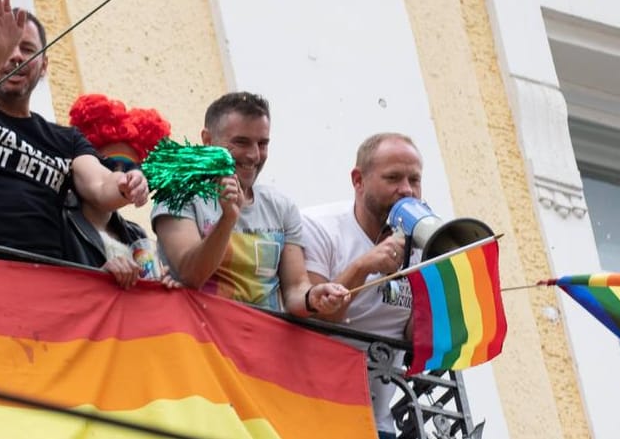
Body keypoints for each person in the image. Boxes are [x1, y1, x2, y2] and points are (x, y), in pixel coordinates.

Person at [0, 0, 148, 260]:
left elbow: (99, 186)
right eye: (5, 47)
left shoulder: (66, 139)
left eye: (27, 49)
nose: (15, 55)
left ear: (44, 66)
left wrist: (126, 184)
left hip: (49, 277)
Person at [154, 91, 348, 318]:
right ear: (207, 141)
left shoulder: (281, 206)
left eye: (262, 143)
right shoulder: (177, 195)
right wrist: (228, 219)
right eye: (241, 142)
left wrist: (312, 297)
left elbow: (295, 289)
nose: (254, 155)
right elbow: (191, 276)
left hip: (262, 346)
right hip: (199, 343)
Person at [303, 133, 424, 439]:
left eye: (415, 179)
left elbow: (419, 340)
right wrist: (363, 266)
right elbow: (315, 317)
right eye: (393, 178)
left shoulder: (424, 244)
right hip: (311, 410)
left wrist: (441, 281)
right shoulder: (318, 226)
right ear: (358, 180)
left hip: (376, 424)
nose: (407, 190)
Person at [64, 93, 171, 286]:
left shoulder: (135, 234)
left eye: (130, 169)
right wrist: (100, 277)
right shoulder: (61, 220)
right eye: (109, 166)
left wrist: (164, 283)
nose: (121, 177)